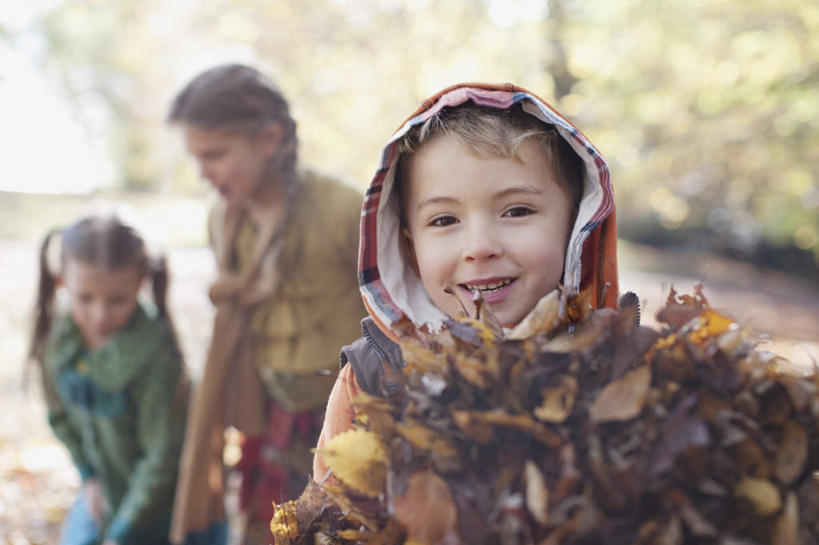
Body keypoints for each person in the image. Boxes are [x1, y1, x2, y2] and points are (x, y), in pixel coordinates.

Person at [312, 83, 620, 539]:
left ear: (576, 225)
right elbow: (327, 519)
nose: (479, 247)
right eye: (444, 220)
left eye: (517, 211)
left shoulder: (622, 372)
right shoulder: (372, 378)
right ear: (408, 244)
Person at [167, 63, 366, 545]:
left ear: (271, 137)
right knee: (270, 530)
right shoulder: (223, 220)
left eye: (215, 154)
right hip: (271, 416)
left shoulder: (343, 210)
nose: (203, 172)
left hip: (346, 419)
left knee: (343, 532)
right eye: (197, 158)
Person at [27, 214, 189, 545]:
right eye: (84, 298)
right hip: (100, 494)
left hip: (154, 511)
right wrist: (89, 478)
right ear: (62, 282)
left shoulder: (154, 357)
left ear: (141, 284)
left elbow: (161, 457)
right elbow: (59, 416)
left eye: (117, 300)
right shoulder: (60, 342)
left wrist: (123, 531)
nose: (100, 315)